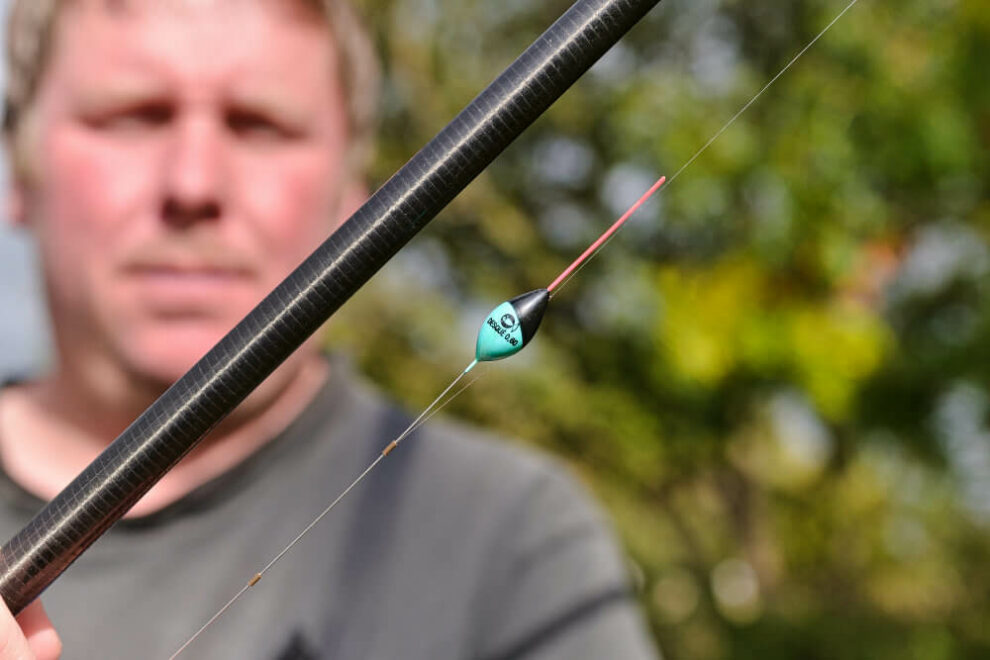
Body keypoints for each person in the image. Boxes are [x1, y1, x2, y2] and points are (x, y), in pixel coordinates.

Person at [0, 0, 659, 658]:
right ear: (16, 168)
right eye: (133, 117)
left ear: (354, 189)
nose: (193, 183)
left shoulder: (512, 540)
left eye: (261, 126)